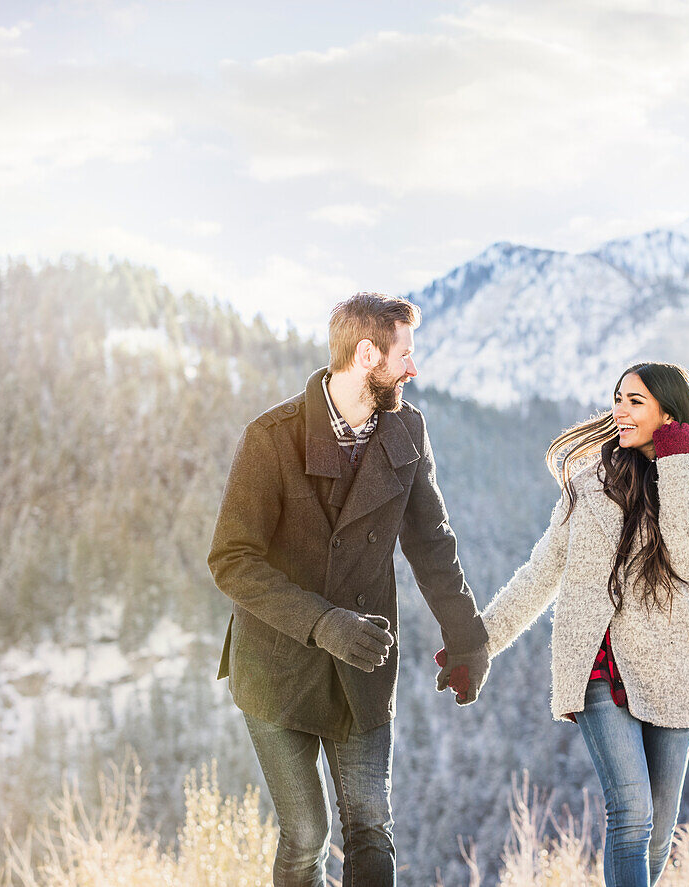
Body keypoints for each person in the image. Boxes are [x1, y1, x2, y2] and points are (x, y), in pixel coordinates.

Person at [208, 292, 490, 887]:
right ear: (367, 355)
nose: (413, 368)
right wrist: (322, 622)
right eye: (404, 354)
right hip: (276, 668)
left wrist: (468, 639)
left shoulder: (406, 429)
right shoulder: (271, 438)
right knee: (307, 835)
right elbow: (232, 560)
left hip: (362, 663)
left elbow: (431, 542)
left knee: (370, 827)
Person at [469, 362, 689, 887]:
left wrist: (676, 469)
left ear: (669, 410)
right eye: (618, 398)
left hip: (672, 667)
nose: (620, 410)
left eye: (635, 401)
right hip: (597, 661)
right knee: (631, 813)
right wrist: (480, 641)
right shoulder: (591, 478)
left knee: (658, 832)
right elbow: (543, 568)